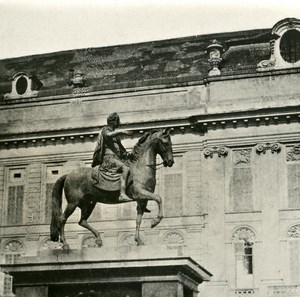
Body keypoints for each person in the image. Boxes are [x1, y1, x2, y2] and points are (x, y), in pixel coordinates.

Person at [92, 112, 133, 202]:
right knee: (125, 168)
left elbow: (121, 151)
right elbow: (108, 135)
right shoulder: (105, 130)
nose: (119, 123)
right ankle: (122, 194)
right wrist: (121, 132)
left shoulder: (117, 137)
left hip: (116, 159)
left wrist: (127, 154)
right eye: (117, 120)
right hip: (108, 158)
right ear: (112, 121)